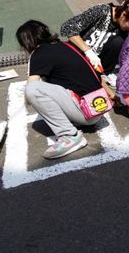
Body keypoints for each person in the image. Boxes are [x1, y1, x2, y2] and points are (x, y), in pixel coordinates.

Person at [16, 20, 113, 159]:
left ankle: (70, 135)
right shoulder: (67, 45)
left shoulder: (39, 54)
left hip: (86, 114)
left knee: (33, 90)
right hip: (98, 106)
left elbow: (30, 90)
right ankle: (72, 122)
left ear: (26, 42)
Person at [60, 0, 129, 76]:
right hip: (78, 54)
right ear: (123, 15)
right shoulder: (102, 11)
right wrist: (88, 51)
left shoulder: (125, 29)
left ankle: (104, 75)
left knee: (119, 42)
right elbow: (68, 28)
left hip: (98, 66)